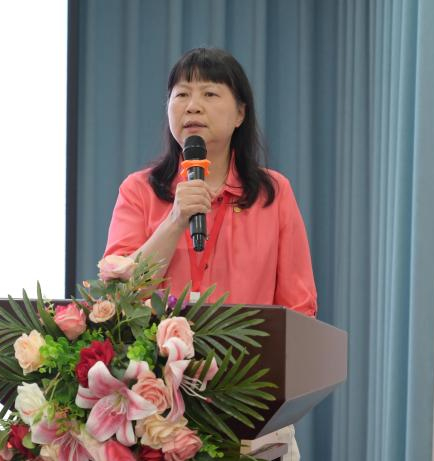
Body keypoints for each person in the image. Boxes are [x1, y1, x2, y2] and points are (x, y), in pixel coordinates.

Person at [102, 47, 317, 459]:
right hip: (157, 415)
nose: (193, 105)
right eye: (181, 94)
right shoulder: (139, 191)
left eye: (210, 93)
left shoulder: (274, 194)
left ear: (240, 113)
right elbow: (119, 297)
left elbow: (298, 309)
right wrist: (175, 218)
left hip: (249, 411)